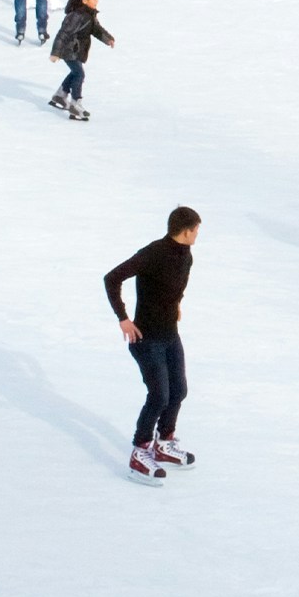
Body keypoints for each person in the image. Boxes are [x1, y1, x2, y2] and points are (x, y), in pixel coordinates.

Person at [104, 206, 202, 486]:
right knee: (159, 396)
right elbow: (112, 278)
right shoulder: (154, 253)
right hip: (146, 339)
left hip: (170, 335)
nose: (197, 235)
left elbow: (172, 287)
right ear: (186, 230)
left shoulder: (186, 256)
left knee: (178, 391)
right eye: (196, 230)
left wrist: (176, 305)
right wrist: (123, 318)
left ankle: (164, 443)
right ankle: (140, 451)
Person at [48, 0, 114, 121]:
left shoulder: (89, 14)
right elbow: (63, 33)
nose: (97, 1)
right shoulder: (77, 15)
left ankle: (60, 96)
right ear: (84, 1)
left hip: (77, 50)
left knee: (75, 73)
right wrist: (56, 53)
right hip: (69, 49)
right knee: (79, 74)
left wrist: (108, 39)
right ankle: (75, 104)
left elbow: (96, 29)